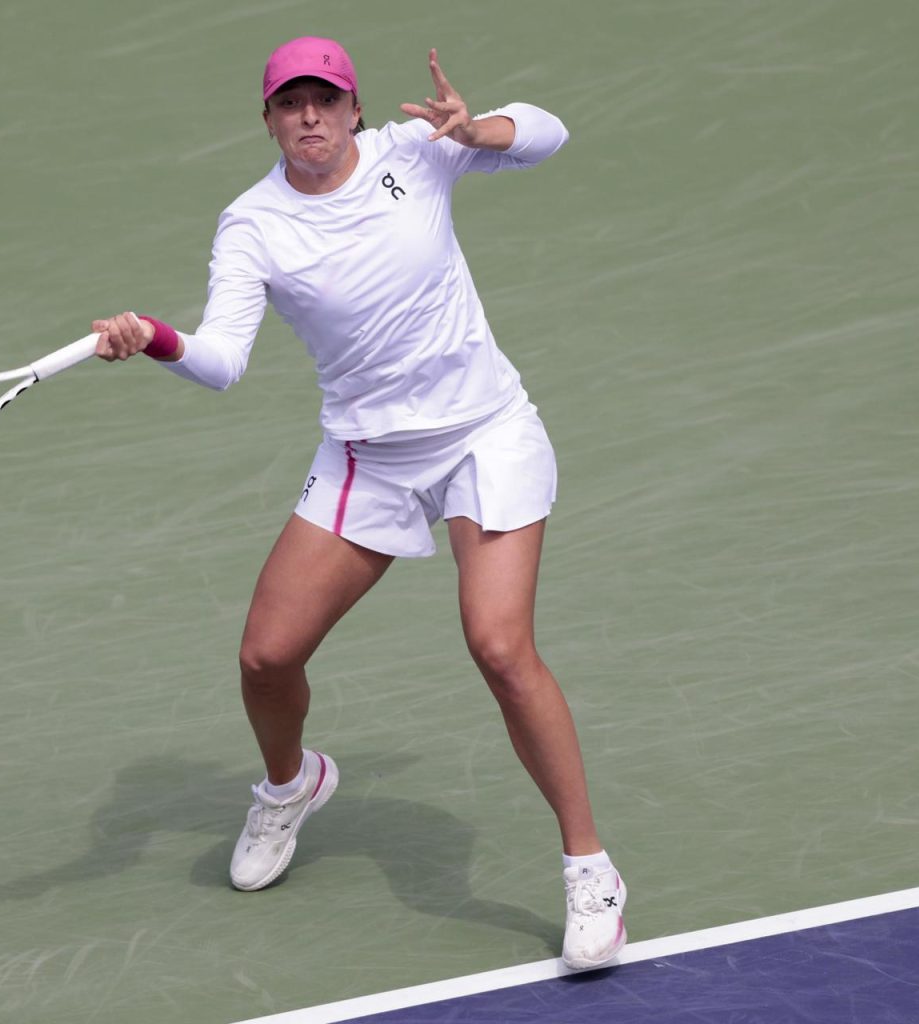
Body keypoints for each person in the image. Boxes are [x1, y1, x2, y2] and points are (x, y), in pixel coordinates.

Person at [90, 37, 626, 971]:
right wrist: (158, 337)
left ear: (351, 108)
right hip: (365, 458)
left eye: (325, 100)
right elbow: (221, 362)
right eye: (290, 103)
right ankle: (291, 785)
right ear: (268, 119)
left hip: (481, 437)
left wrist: (481, 126)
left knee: (500, 646)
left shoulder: (414, 152)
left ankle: (592, 870)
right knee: (266, 656)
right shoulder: (250, 226)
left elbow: (548, 134)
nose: (309, 117)